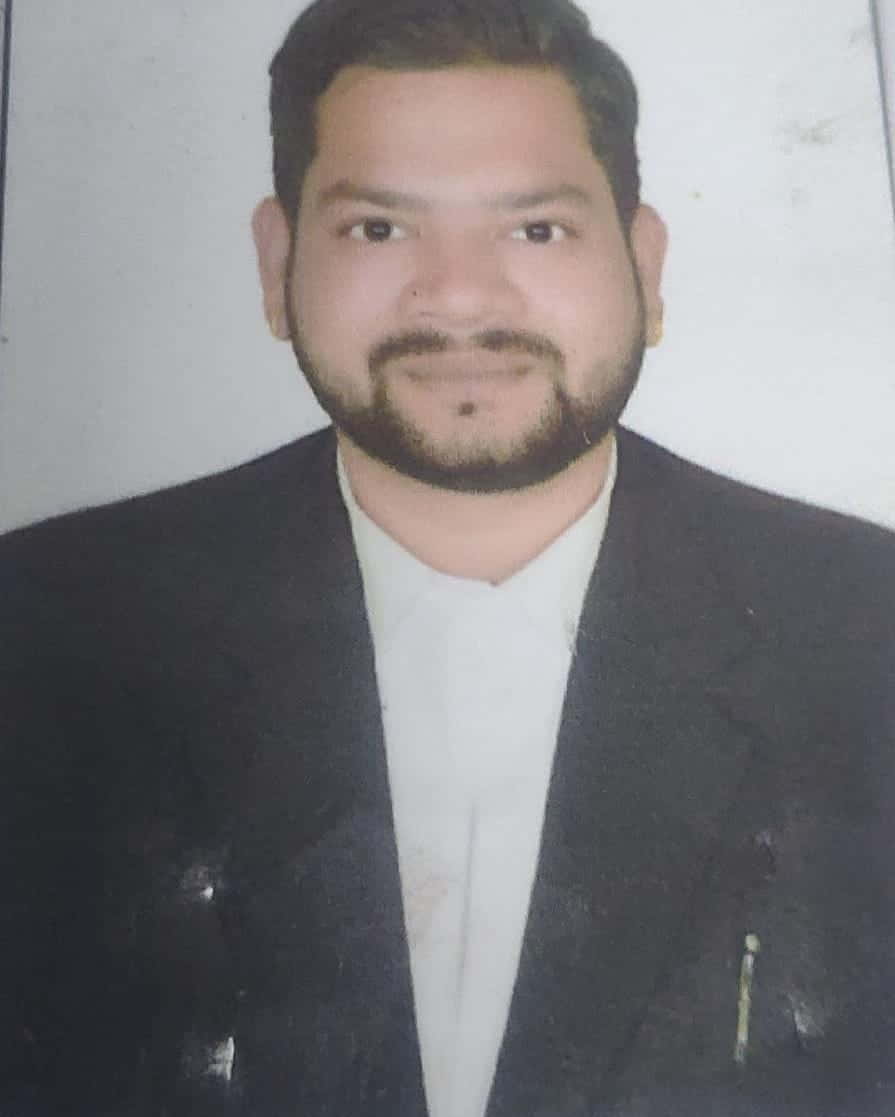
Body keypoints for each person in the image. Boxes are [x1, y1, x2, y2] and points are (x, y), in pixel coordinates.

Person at [1, 1, 893, 1114]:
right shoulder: (44, 630)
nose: (460, 297)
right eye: (378, 229)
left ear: (644, 264)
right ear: (278, 264)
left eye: (536, 230)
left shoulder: (867, 632)